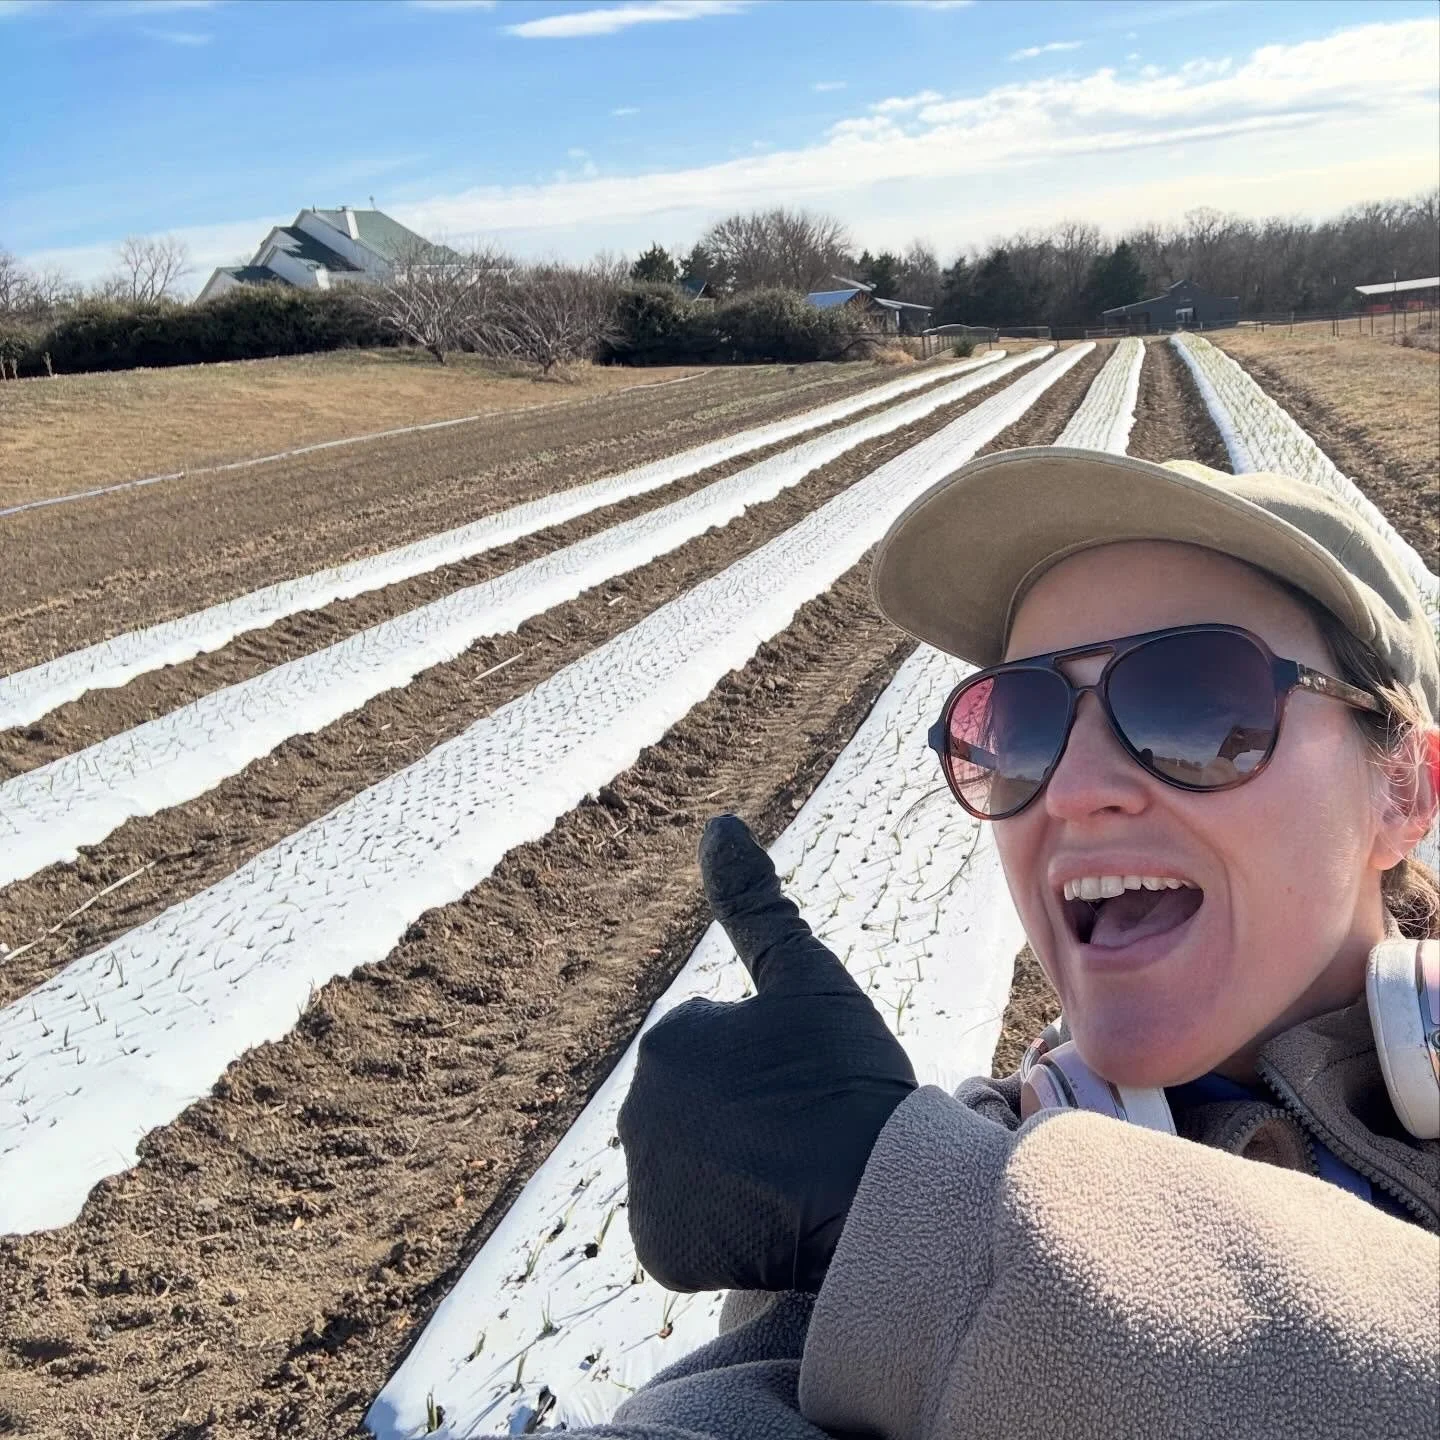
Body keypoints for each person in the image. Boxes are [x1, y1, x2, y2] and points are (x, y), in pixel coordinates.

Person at [494, 450, 1440, 1439]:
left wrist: (941, 1242)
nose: (1073, 789)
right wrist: (895, 1229)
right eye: (1024, 724)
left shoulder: (932, 1211)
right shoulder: (963, 1174)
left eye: (1198, 706)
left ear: (1404, 791)